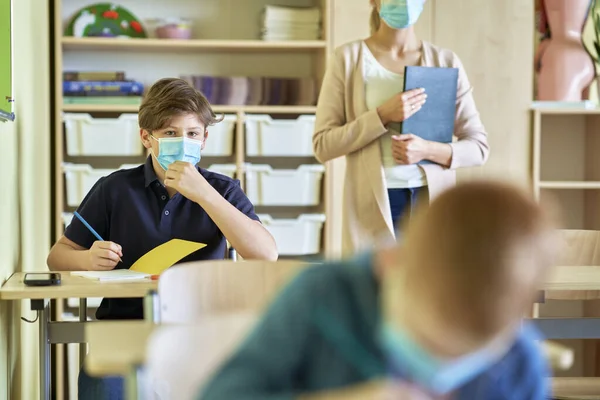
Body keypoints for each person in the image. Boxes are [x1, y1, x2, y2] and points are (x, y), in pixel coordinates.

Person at [200, 181, 558, 400]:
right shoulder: (322, 298)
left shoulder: (517, 360)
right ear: (391, 262)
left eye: (462, 361)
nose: (434, 377)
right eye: (423, 341)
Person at [47, 78, 278, 399]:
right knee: (102, 385)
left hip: (200, 330)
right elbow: (57, 256)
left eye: (192, 134)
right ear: (147, 137)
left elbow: (266, 255)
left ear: (204, 139)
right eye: (170, 133)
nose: (182, 142)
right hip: (125, 328)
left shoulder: (224, 190)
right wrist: (87, 259)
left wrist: (205, 195)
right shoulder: (114, 189)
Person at [313, 0, 490, 254]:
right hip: (372, 206)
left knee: (427, 291)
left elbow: (479, 147)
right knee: (376, 291)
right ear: (374, 1)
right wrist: (381, 116)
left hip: (431, 205)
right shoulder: (347, 59)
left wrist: (426, 150)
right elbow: (323, 145)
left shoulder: (445, 62)